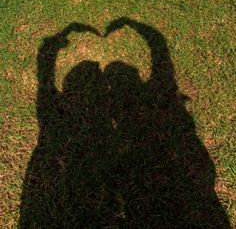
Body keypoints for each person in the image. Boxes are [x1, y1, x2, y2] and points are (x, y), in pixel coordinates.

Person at [19, 18, 230, 228]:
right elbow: (161, 54)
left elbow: (43, 82)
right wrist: (133, 24)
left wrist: (55, 41)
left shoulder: (57, 128)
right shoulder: (163, 116)